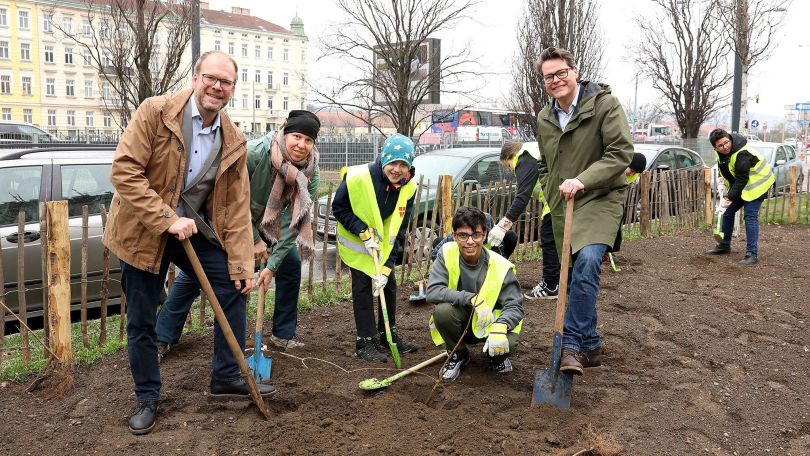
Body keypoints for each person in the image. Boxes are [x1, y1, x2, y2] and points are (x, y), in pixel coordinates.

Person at [102, 51, 275, 435]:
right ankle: (147, 396)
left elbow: (235, 207)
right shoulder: (155, 112)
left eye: (225, 82)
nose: (217, 86)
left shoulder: (233, 139)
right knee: (142, 319)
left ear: (232, 88)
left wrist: (243, 265)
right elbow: (124, 171)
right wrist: (166, 218)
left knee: (233, 287)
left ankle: (225, 375)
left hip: (192, 229)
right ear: (195, 78)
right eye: (210, 78)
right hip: (143, 229)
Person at [154, 110, 322, 358]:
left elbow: (291, 223)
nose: (301, 145)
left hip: (266, 224)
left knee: (290, 263)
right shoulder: (255, 154)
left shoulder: (310, 173)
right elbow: (233, 201)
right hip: (227, 221)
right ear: (285, 133)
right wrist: (253, 241)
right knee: (196, 275)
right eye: (296, 136)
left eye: (308, 140)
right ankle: (162, 337)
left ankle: (282, 334)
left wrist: (271, 266)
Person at [535, 47, 633, 375]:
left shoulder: (605, 105)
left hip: (602, 195)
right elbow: (546, 166)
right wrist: (554, 193)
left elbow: (621, 152)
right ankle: (591, 345)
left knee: (590, 259)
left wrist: (582, 180)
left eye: (561, 72)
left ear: (575, 72)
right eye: (549, 76)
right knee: (578, 270)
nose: (556, 80)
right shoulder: (545, 118)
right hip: (566, 201)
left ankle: (572, 344)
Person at [333, 133, 419, 363]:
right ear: (383, 160)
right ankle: (364, 341)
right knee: (362, 286)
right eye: (393, 163)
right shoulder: (357, 177)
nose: (397, 169)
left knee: (388, 284)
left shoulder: (408, 187)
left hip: (381, 246)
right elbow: (339, 208)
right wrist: (360, 230)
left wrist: (388, 264)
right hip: (357, 242)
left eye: (403, 164)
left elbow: (400, 227)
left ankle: (386, 334)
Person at [426, 206, 524, 381]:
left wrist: (501, 326)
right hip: (463, 320)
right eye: (463, 235)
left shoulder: (500, 265)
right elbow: (433, 292)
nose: (469, 241)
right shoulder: (446, 253)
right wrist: (471, 298)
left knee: (507, 344)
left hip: (492, 322)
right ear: (455, 236)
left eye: (476, 235)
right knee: (442, 312)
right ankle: (459, 354)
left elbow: (515, 305)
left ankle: (496, 358)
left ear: (485, 235)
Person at [493, 141, 560, 300]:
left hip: (556, 202)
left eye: (508, 166)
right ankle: (565, 282)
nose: (511, 170)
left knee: (549, 242)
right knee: (560, 242)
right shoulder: (533, 152)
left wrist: (503, 225)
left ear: (510, 156)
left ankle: (550, 286)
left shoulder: (524, 158)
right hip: (559, 199)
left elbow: (522, 197)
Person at [705, 129, 774, 265]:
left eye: (726, 143)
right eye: (720, 145)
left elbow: (741, 179)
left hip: (757, 185)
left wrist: (729, 197)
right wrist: (723, 182)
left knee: (750, 216)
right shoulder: (721, 154)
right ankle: (725, 245)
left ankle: (752, 254)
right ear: (715, 148)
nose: (725, 147)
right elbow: (729, 171)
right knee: (728, 213)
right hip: (744, 187)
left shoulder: (742, 153)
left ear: (729, 139)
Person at [431, 211, 516, 261]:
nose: (470, 241)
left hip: (484, 263)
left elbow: (499, 259)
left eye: (478, 234)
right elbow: (435, 254)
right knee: (439, 241)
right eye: (465, 235)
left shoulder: (493, 237)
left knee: (511, 236)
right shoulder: (457, 236)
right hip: (462, 261)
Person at [610, 152, 647, 258]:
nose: (632, 174)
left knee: (618, 221)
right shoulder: (616, 167)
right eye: (631, 170)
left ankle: (610, 251)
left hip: (618, 197)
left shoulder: (633, 174)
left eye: (635, 172)